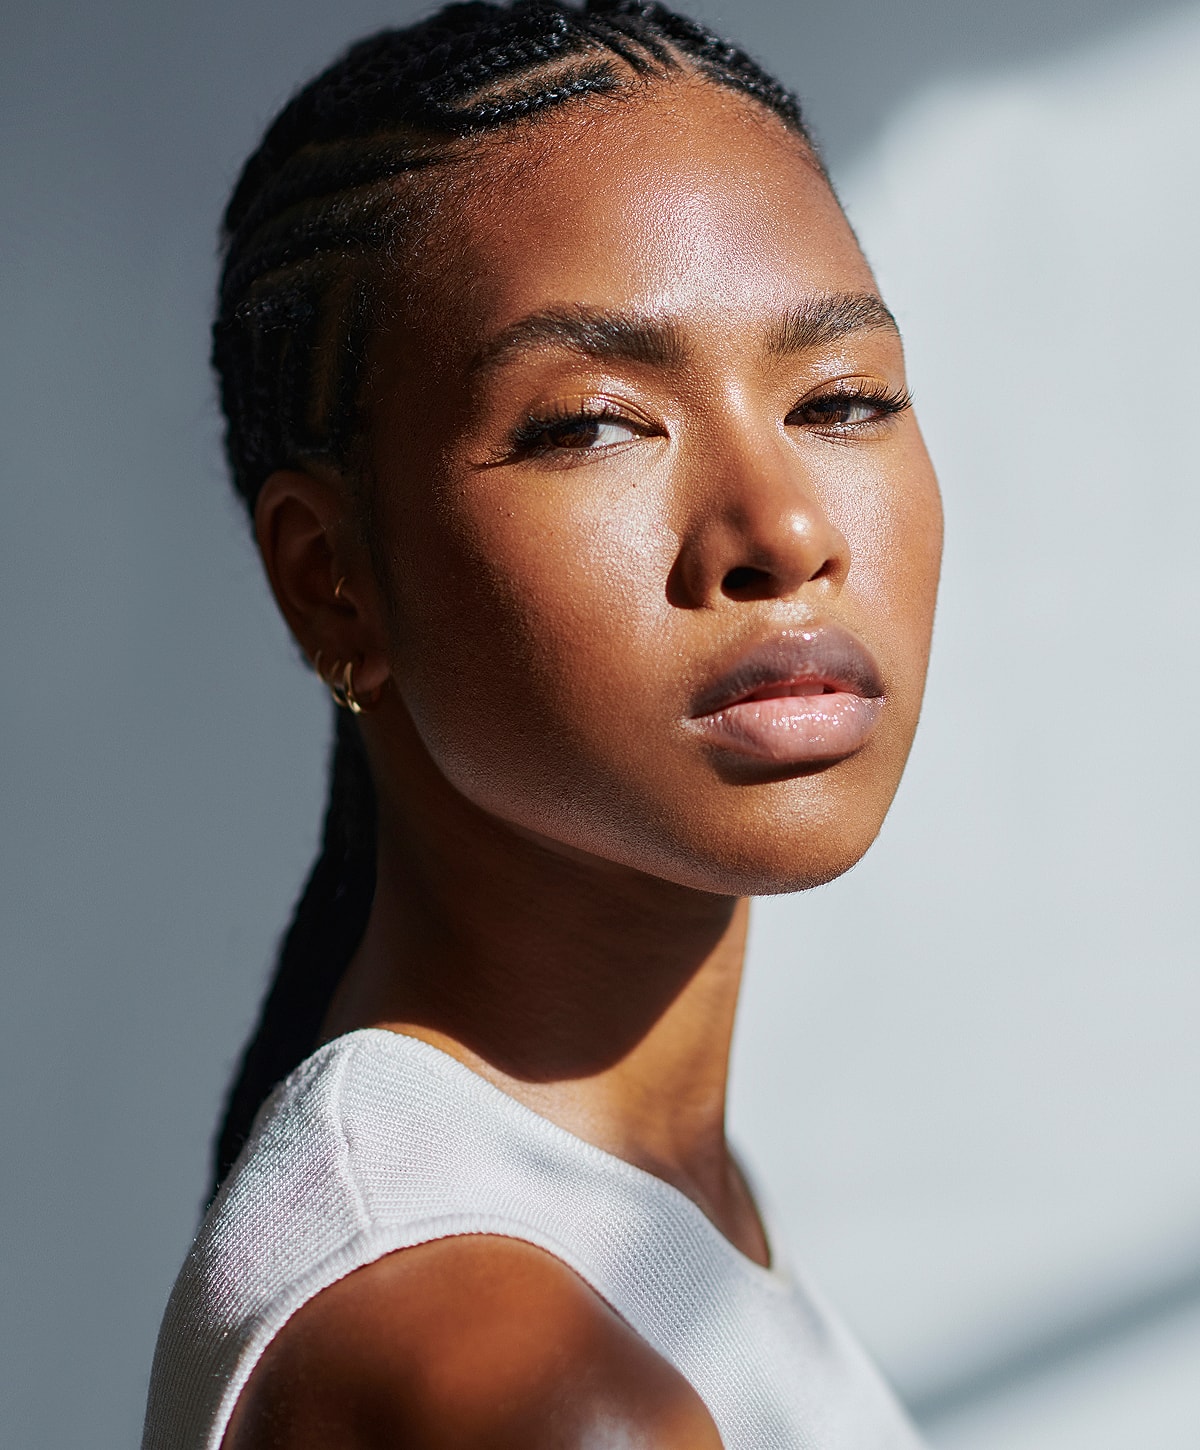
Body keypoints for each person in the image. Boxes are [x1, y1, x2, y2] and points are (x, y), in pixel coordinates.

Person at [142, 2, 942, 1445]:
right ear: (334, 582)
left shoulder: (611, 1204)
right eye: (593, 423)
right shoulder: (520, 1374)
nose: (783, 530)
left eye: (842, 397)